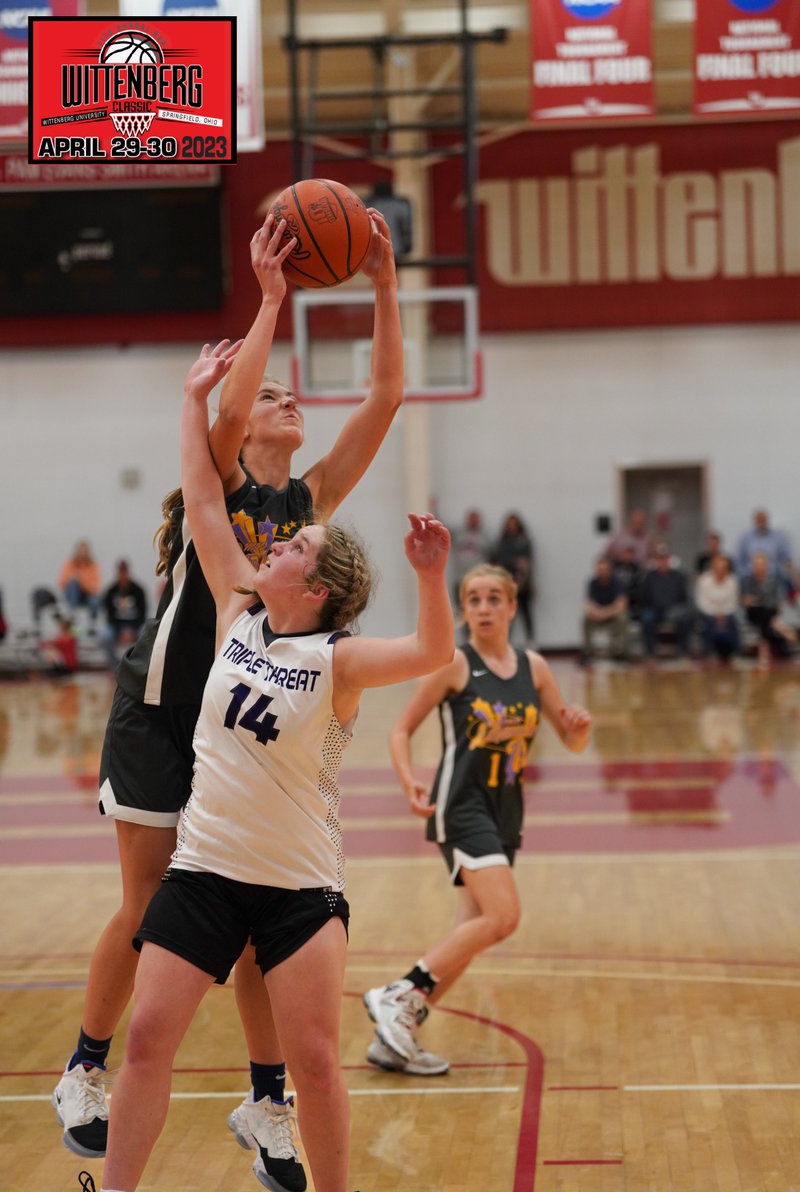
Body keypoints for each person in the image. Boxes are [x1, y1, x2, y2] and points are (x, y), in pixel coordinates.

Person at [53, 206, 404, 1191]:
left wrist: (381, 281)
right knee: (146, 908)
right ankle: (85, 1065)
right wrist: (271, 302)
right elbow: (223, 408)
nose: (286, 401)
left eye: (292, 395)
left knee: (255, 918)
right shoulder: (204, 488)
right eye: (269, 398)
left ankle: (264, 1098)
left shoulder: (310, 514)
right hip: (166, 709)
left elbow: (382, 396)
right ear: (241, 425)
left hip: (250, 724)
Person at [92, 343, 454, 1192]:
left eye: (296, 545)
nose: (280, 542)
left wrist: (432, 579)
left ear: (315, 585)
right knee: (146, 1043)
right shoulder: (231, 608)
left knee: (318, 1068)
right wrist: (192, 401)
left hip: (297, 889)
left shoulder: (341, 660)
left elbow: (435, 650)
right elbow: (205, 497)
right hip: (206, 873)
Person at [362, 563, 591, 1075]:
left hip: (506, 810)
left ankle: (395, 1037)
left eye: (494, 599)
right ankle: (399, 994)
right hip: (461, 805)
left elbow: (572, 740)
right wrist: (408, 782)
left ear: (512, 606)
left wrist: (579, 726)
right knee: (504, 918)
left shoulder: (535, 668)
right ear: (463, 611)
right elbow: (400, 731)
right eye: (473, 600)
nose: (484, 608)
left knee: (472, 928)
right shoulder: (454, 665)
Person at [740, 550, 797, 665]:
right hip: (753, 613)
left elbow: (776, 600)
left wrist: (759, 601)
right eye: (757, 564)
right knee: (764, 613)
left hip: (769, 612)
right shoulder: (747, 580)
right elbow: (745, 599)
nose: (759, 567)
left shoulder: (773, 580)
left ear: (766, 565)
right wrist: (752, 601)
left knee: (766, 614)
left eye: (762, 564)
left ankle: (764, 645)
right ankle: (779, 629)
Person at [637, 544, 693, 658]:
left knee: (686, 618)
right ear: (656, 561)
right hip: (654, 609)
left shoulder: (678, 576)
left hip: (673, 610)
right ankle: (650, 652)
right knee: (646, 618)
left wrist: (678, 608)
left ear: (669, 560)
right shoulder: (649, 576)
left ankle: (682, 650)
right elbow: (643, 596)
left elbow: (684, 597)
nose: (663, 562)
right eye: (660, 559)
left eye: (665, 559)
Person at [491, 512, 534, 642]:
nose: (511, 526)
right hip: (506, 581)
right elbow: (497, 561)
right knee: (507, 613)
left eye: (514, 524)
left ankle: (531, 640)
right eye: (509, 524)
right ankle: (505, 641)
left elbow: (526, 563)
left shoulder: (523, 541)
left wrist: (521, 579)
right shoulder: (502, 541)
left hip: (522, 582)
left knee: (526, 612)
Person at [579, 555, 630, 665]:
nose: (601, 572)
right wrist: (596, 612)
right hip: (600, 614)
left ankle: (622, 651)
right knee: (586, 619)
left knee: (622, 617)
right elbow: (589, 604)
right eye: (599, 569)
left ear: (609, 569)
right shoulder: (593, 582)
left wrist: (604, 613)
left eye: (604, 569)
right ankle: (587, 652)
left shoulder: (617, 582)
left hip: (613, 614)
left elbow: (621, 604)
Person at [101, 561, 148, 669]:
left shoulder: (139, 590)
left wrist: (131, 631)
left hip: (135, 626)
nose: (122, 575)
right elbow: (109, 616)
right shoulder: (111, 591)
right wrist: (121, 631)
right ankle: (114, 667)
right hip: (117, 627)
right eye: (120, 572)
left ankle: (140, 666)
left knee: (146, 634)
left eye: (124, 572)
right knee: (105, 636)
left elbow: (143, 614)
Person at [695, 553, 739, 663]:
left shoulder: (732, 581)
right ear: (713, 567)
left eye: (723, 567)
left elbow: (733, 602)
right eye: (718, 567)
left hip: (726, 613)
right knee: (709, 621)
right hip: (708, 613)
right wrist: (716, 613)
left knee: (732, 620)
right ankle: (707, 651)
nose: (721, 570)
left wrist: (723, 613)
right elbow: (701, 602)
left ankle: (733, 652)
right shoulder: (704, 581)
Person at [736, 509, 792, 592]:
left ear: (767, 520)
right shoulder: (746, 537)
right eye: (759, 520)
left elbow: (786, 558)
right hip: (750, 576)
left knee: (785, 582)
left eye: (763, 520)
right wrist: (744, 573)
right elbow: (738, 559)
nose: (761, 523)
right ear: (755, 521)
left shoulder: (778, 536)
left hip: (773, 575)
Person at [449, 508, 490, 606]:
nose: (473, 521)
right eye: (471, 518)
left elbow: (491, 557)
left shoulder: (485, 538)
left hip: (478, 580)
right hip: (460, 579)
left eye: (475, 519)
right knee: (460, 610)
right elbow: (441, 529)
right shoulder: (459, 534)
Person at [58, 540, 102, 624]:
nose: (82, 554)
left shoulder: (93, 566)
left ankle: (93, 623)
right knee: (73, 583)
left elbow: (95, 588)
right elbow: (61, 582)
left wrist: (82, 582)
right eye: (80, 551)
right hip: (72, 595)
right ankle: (72, 616)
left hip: (87, 595)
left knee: (95, 600)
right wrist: (74, 580)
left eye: (84, 551)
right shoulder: (70, 564)